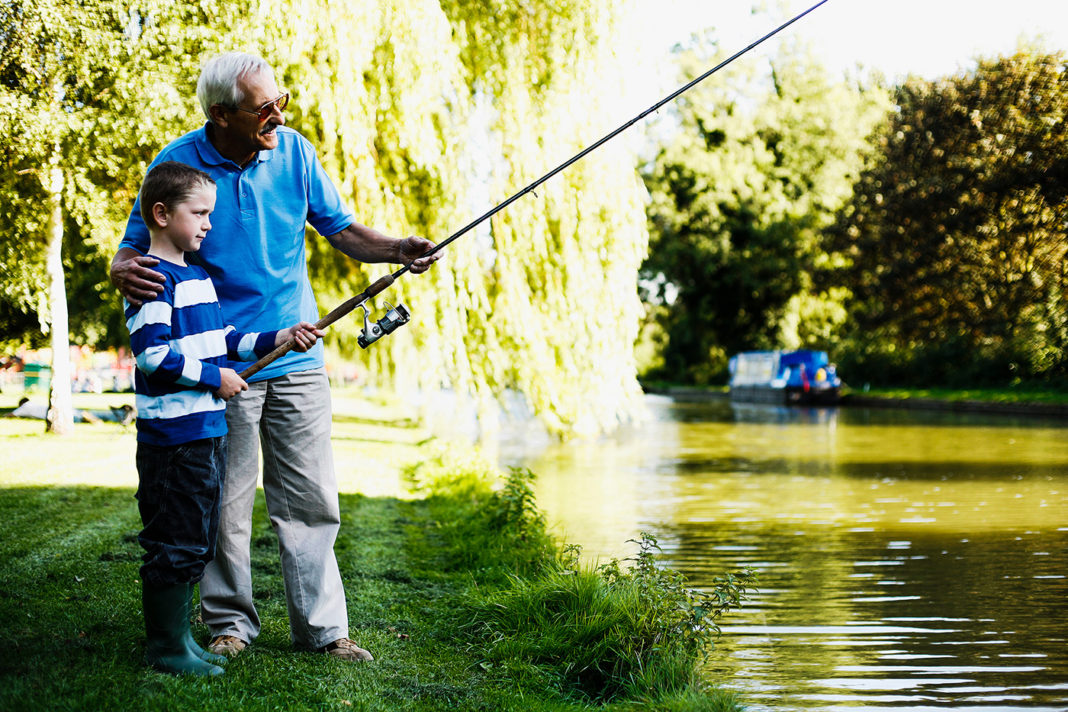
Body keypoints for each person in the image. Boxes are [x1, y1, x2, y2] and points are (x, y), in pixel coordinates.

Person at [111, 52, 440, 663]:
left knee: (310, 500)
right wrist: (123, 273)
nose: (278, 114)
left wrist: (399, 248)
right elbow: (131, 250)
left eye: (280, 100)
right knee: (223, 505)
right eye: (264, 107)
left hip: (294, 352)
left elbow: (341, 231)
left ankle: (323, 630)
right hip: (221, 363)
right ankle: (229, 626)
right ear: (220, 115)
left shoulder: (295, 152)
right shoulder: (175, 163)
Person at [126, 161, 323, 676]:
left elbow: (226, 340)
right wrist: (216, 379)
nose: (209, 224)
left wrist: (279, 338)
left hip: (206, 431)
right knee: (173, 539)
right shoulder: (152, 281)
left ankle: (181, 641)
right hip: (174, 437)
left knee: (197, 535)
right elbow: (153, 357)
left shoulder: (197, 277)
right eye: (200, 213)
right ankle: (166, 647)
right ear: (162, 214)